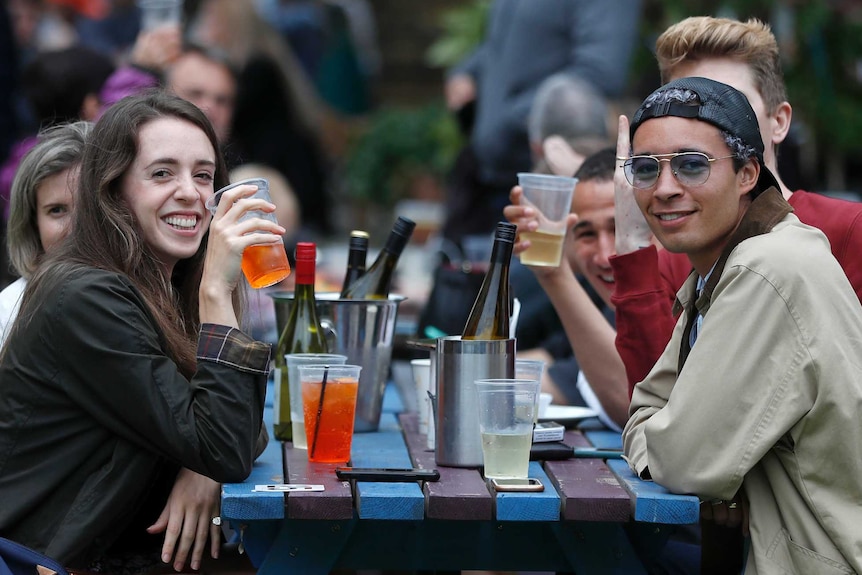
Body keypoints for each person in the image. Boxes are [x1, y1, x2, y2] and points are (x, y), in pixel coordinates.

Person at [0, 90, 277, 573]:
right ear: (113, 190)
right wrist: (216, 291)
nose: (191, 192)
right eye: (162, 173)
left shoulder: (162, 284)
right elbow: (226, 444)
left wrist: (201, 470)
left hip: (119, 548)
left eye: (204, 174)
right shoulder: (85, 296)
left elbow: (240, 428)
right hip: (46, 560)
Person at [621, 76, 862, 575]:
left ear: (749, 173)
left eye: (692, 165)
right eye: (646, 169)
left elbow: (684, 462)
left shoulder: (767, 268)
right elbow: (647, 409)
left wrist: (706, 462)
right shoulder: (725, 265)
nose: (665, 189)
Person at [610, 16, 862, 393]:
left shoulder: (847, 229)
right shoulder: (673, 251)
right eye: (688, 105)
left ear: (779, 121)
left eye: (730, 100)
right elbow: (655, 404)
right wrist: (630, 246)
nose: (711, 120)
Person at [440, 0, 641, 245]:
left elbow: (600, 73)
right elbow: (503, 43)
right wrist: (469, 71)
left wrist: (504, 122)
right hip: (489, 180)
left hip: (548, 186)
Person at [506, 148, 627, 429]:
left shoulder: (686, 294)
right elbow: (552, 358)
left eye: (620, 228)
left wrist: (554, 274)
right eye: (587, 234)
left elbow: (628, 399)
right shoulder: (613, 307)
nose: (604, 255)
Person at [0, 121, 91, 345]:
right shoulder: (8, 311)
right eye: (57, 210)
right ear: (33, 224)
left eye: (90, 206)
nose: (75, 227)